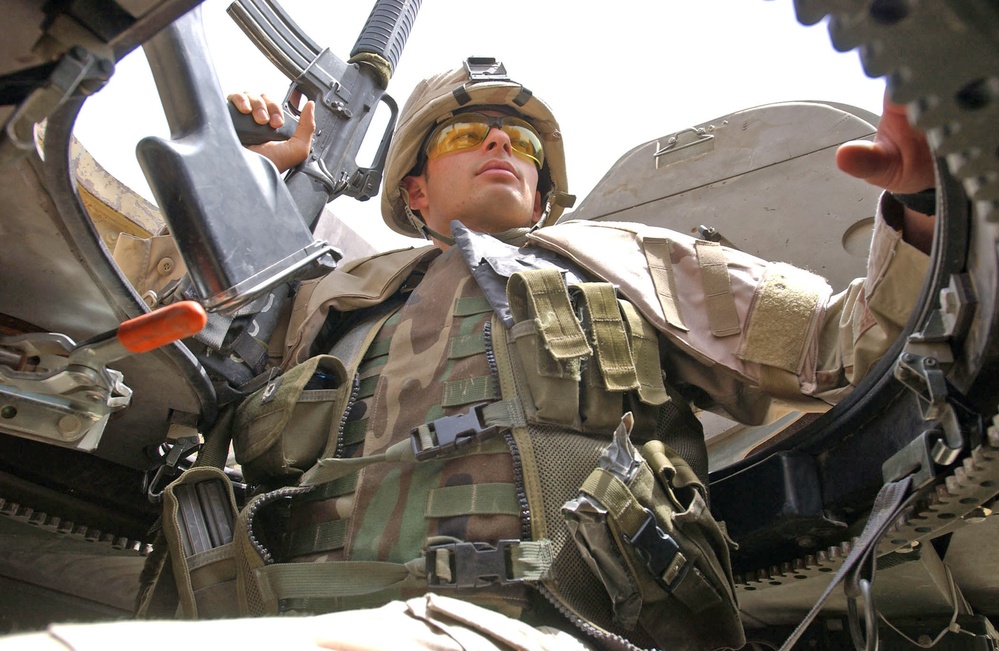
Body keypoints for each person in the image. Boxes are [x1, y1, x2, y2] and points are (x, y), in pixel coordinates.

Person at [8, 61, 930, 651]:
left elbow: (849, 344)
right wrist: (262, 177)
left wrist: (922, 203)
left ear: (541, 187)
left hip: (564, 628)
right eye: (465, 133)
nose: (499, 142)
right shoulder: (326, 293)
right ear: (412, 186)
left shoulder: (640, 261)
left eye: (519, 140)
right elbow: (176, 346)